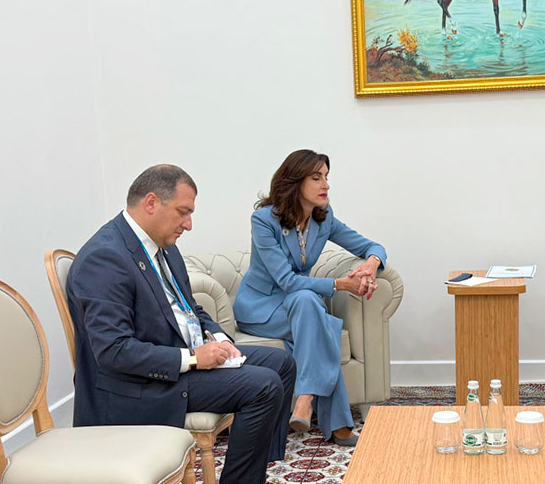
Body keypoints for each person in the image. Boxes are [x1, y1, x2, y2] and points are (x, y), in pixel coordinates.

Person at [68, 164, 295, 484]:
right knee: (263, 386)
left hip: (179, 353)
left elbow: (190, 309)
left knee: (282, 362)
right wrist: (193, 359)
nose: (188, 224)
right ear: (151, 203)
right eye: (183, 212)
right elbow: (114, 352)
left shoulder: (164, 248)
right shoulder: (105, 258)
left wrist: (218, 337)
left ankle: (254, 469)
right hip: (136, 385)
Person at [233, 149, 386, 446]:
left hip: (298, 305)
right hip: (262, 307)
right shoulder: (264, 220)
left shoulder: (323, 220)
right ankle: (337, 424)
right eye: (316, 178)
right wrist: (341, 285)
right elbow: (287, 281)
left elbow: (373, 245)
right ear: (294, 182)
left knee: (308, 306)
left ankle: (305, 400)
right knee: (316, 318)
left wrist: (370, 264)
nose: (325, 185)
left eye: (327, 177)